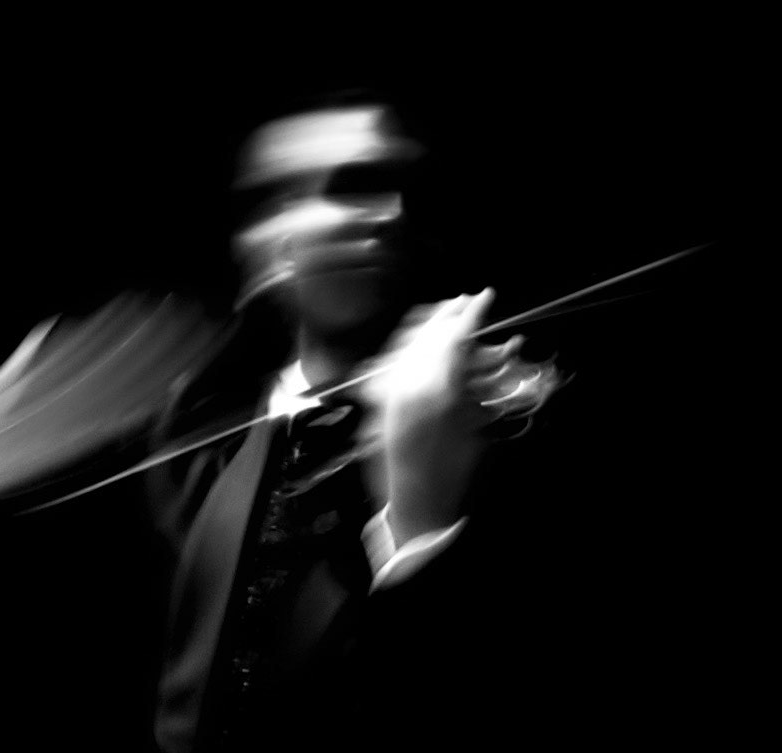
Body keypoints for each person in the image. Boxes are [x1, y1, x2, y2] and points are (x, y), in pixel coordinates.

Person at [147, 100, 561, 753]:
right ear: (270, 240)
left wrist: (418, 517)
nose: (391, 213)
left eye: (405, 189)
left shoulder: (496, 426)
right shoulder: (192, 439)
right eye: (350, 187)